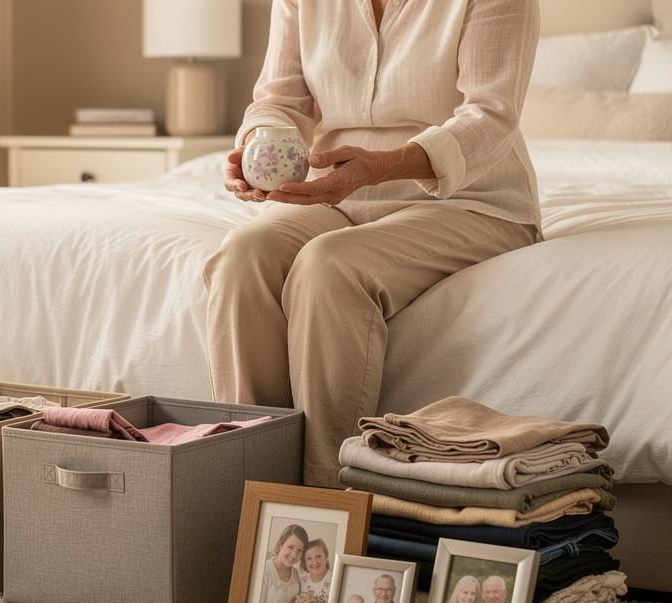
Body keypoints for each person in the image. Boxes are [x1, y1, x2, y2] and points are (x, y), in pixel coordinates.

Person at [206, 0, 542, 487]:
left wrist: (381, 166)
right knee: (241, 257)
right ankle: (247, 485)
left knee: (329, 265)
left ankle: (326, 497)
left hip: (471, 198)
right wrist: (257, 143)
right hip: (337, 188)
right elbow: (279, 100)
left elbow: (490, 115)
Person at [257, 524, 308, 603]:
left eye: (299, 550)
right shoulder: (264, 571)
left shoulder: (295, 574)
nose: (294, 555)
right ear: (280, 545)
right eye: (290, 547)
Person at [292, 538, 331, 603]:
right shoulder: (302, 582)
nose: (314, 562)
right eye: (309, 559)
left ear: (326, 556)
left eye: (318, 557)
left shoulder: (335, 580)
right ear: (304, 562)